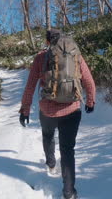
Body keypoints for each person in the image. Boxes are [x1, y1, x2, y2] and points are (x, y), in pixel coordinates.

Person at [19, 29, 96, 199]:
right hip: (72, 109)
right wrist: (90, 101)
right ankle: (69, 192)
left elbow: (30, 86)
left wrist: (25, 109)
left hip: (47, 110)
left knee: (48, 135)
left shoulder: (40, 58)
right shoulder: (75, 55)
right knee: (67, 149)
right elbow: (89, 81)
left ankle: (51, 163)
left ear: (48, 42)